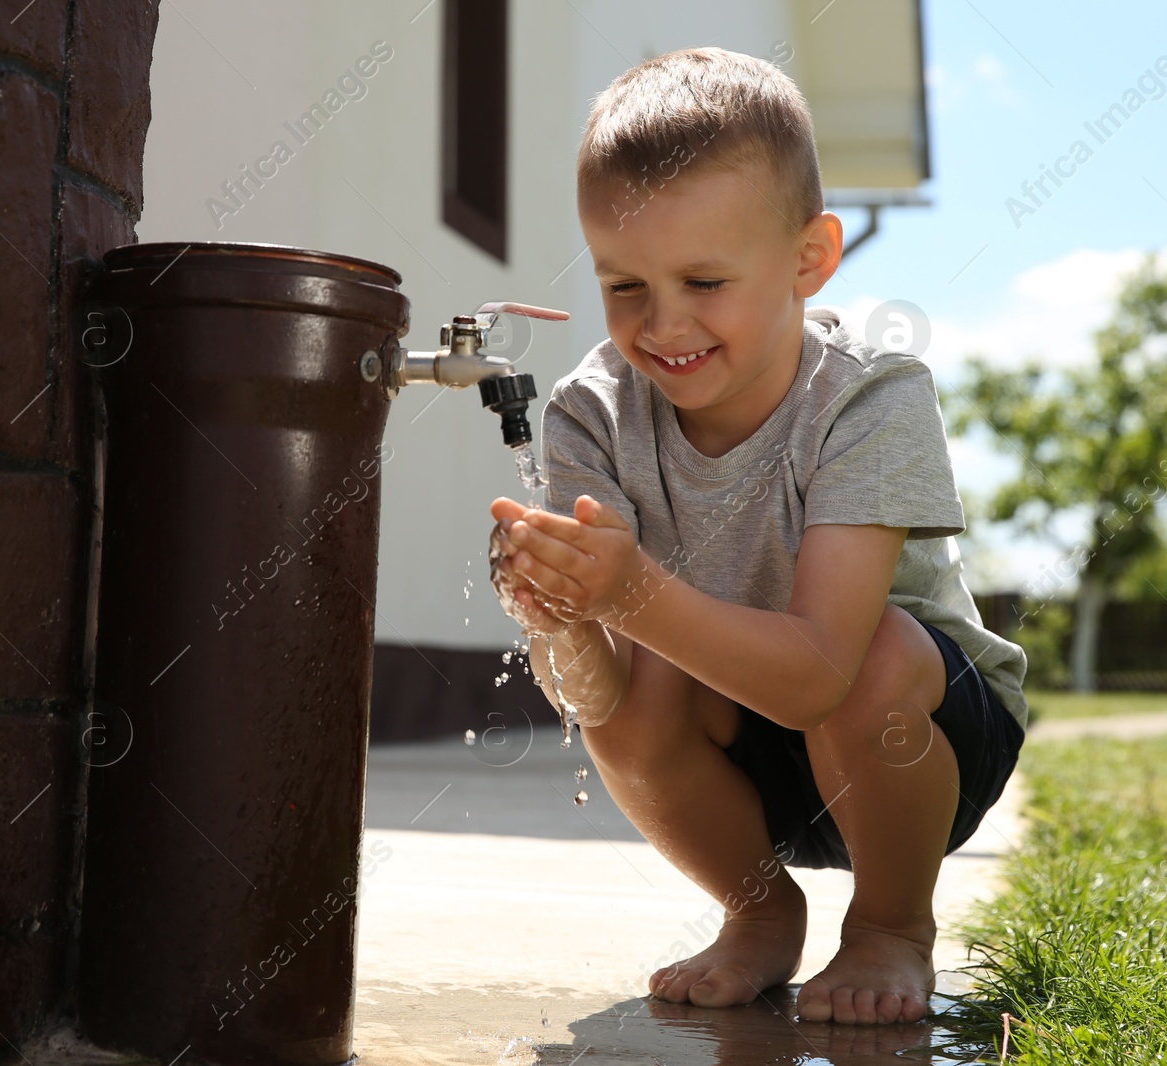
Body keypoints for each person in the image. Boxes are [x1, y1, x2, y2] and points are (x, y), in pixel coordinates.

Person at [487, 46, 1028, 1027]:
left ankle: (890, 925)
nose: (662, 323)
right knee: (637, 683)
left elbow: (822, 668)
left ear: (808, 259)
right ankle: (756, 913)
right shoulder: (589, 417)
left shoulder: (868, 397)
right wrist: (562, 615)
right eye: (623, 286)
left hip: (917, 748)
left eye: (703, 279)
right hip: (745, 755)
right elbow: (599, 701)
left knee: (871, 653)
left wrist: (629, 592)